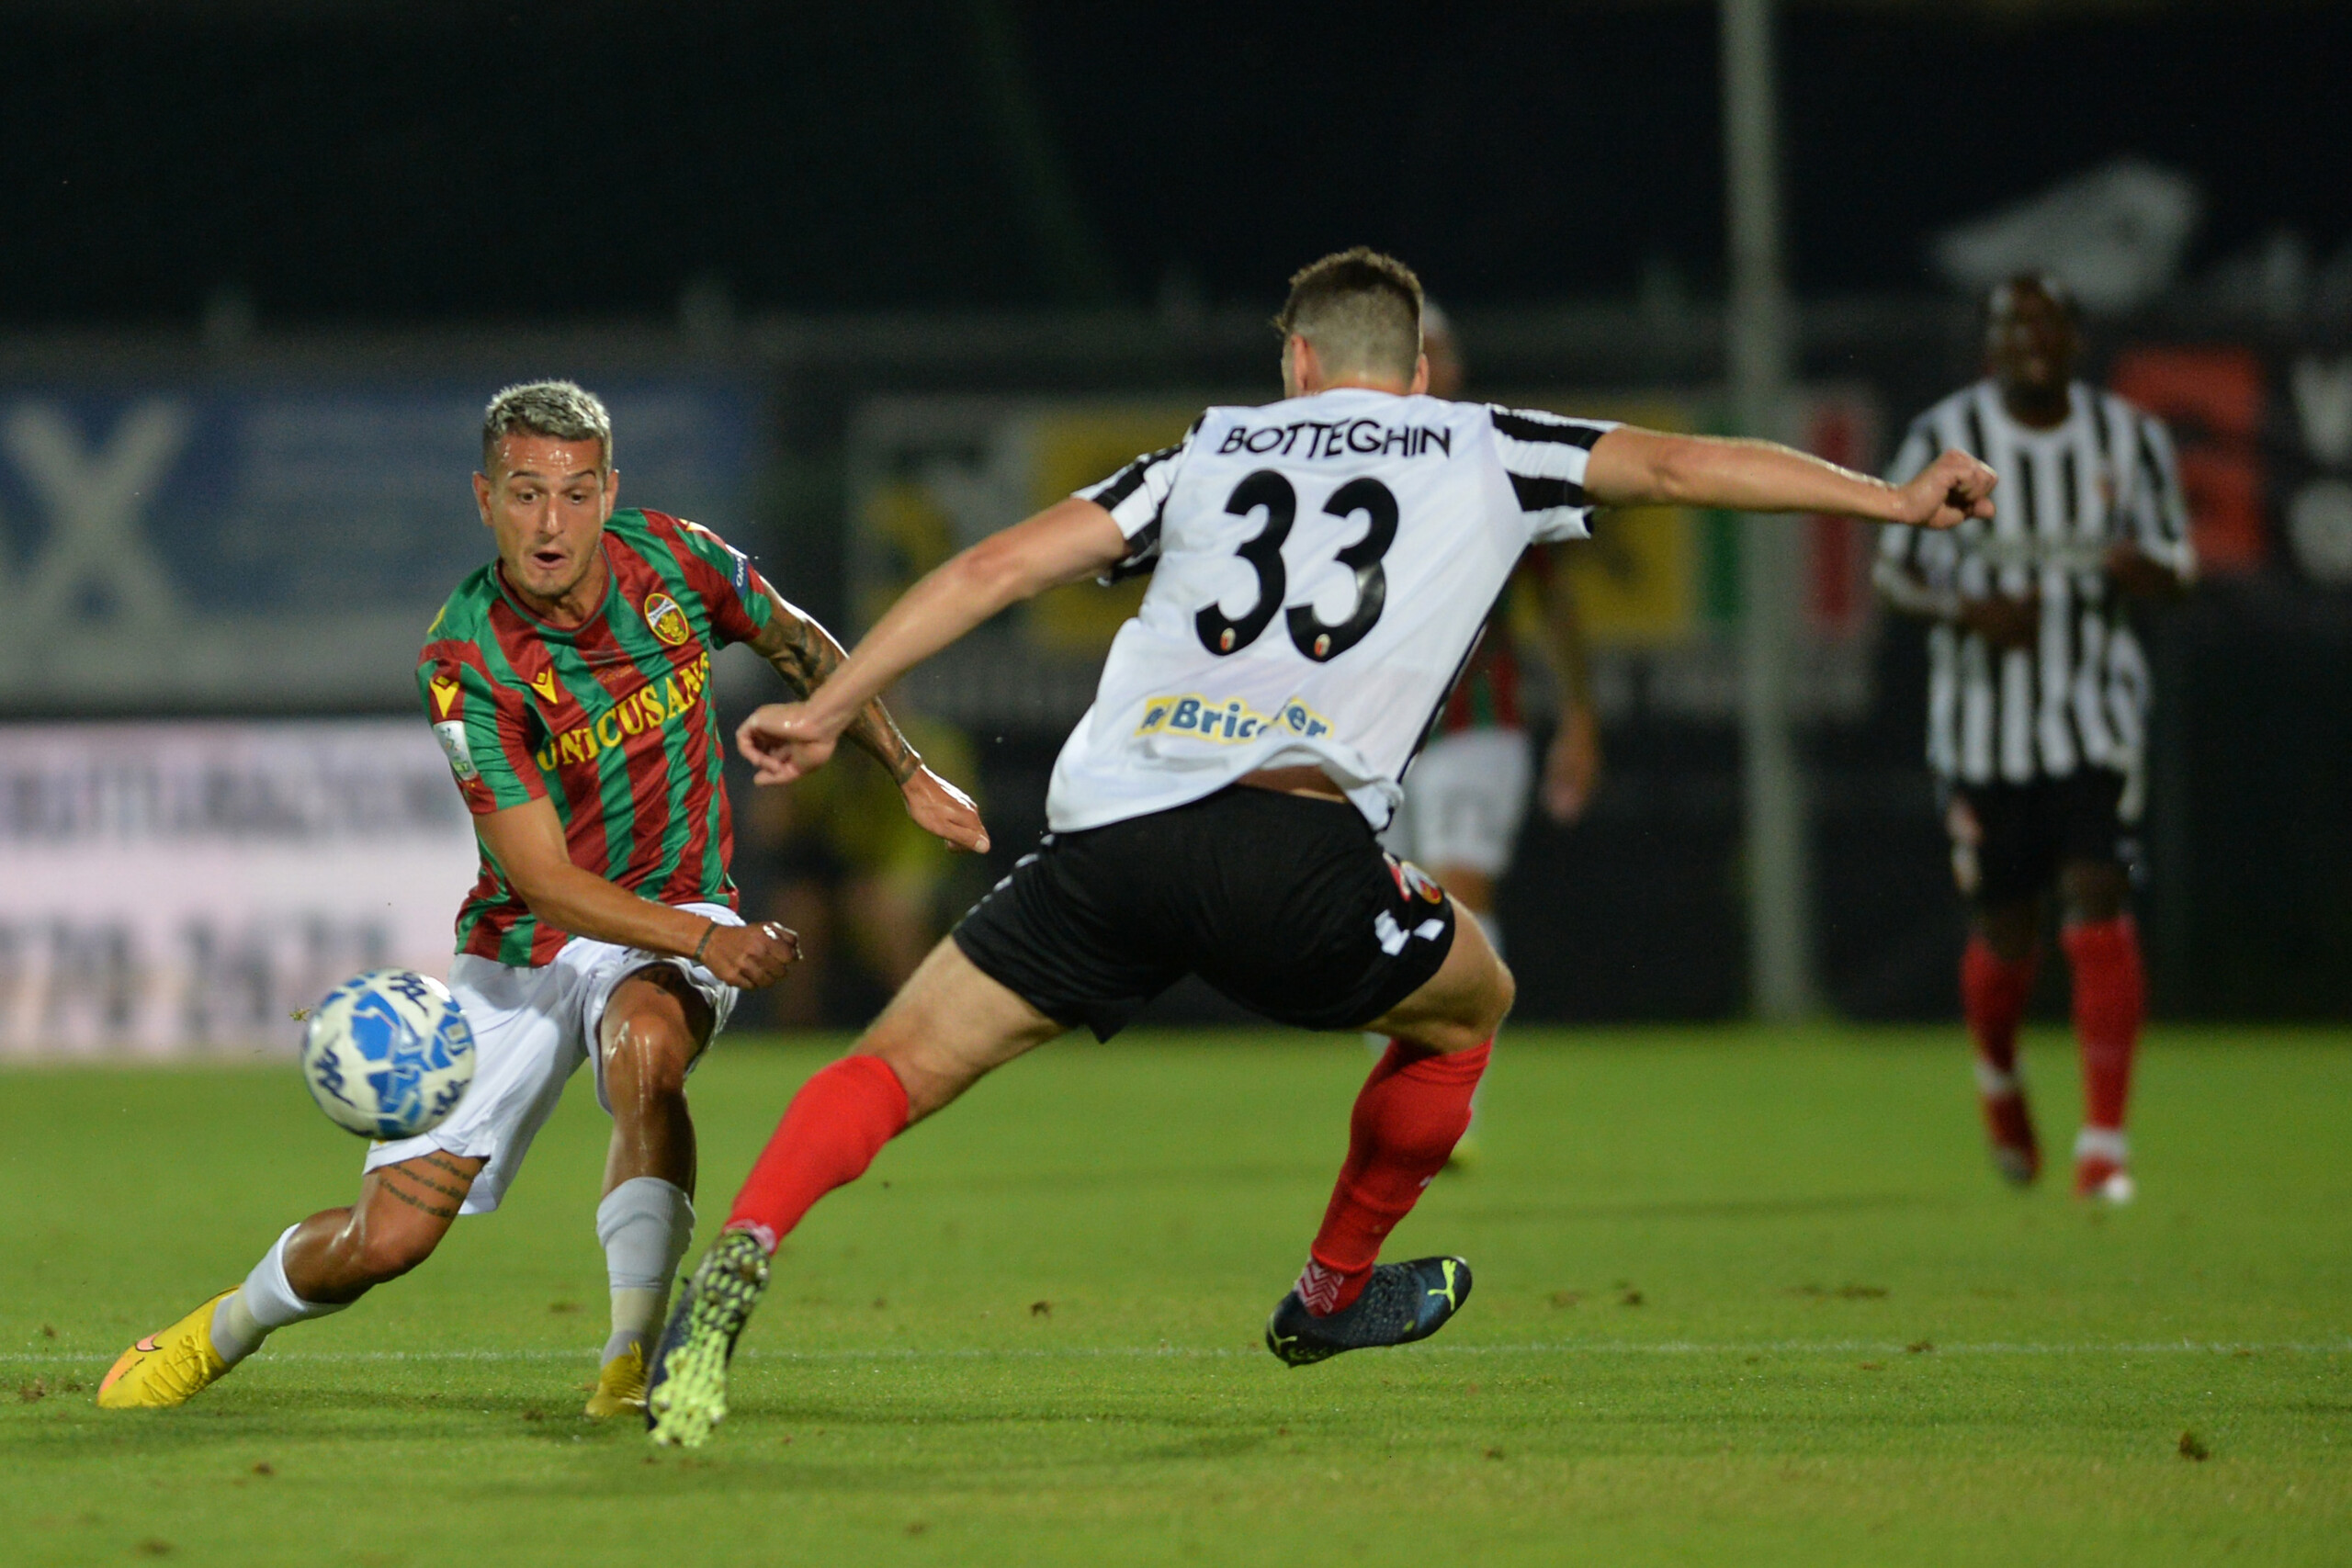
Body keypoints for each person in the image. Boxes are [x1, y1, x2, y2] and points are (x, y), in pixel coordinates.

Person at [643, 249, 1994, 1448]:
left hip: (1111, 836)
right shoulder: (1486, 442)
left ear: (1294, 363)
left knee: (894, 1061)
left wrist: (825, 707)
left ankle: (747, 1246)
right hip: (1293, 848)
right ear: (1414, 367)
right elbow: (1691, 466)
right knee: (1473, 1003)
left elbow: (995, 567)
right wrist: (1896, 498)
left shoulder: (1208, 448)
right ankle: (1331, 1293)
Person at [96, 380, 985, 1416]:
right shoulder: (465, 656)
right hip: (526, 942)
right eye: (524, 494)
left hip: (674, 906)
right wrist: (709, 939)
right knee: (387, 1239)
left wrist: (904, 766)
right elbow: (540, 878)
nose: (549, 522)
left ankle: (627, 1363)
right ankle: (218, 1330)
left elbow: (799, 642)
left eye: (573, 492)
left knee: (648, 1045)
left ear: (611, 491)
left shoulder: (679, 561)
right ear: (484, 500)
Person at [1874, 276, 2192, 1204]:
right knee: (2007, 931)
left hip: (2094, 718)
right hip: (1982, 736)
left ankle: (2103, 1143)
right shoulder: (1945, 433)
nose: (2032, 340)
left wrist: (2150, 572)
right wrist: (1963, 608)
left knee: (2097, 893)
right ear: (1990, 343)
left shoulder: (2127, 439)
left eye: (2048, 323)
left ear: (2075, 339)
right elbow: (1893, 570)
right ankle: (2001, 1081)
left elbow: (2182, 565)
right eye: (2014, 326)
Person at [1375, 303, 1601, 1165]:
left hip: (1478, 725)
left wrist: (1578, 716)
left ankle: (1445, 1105)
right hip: (1372, 738)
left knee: (1457, 910)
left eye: (1439, 353)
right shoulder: (1337, 469)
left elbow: (1554, 600)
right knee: (1380, 919)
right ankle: (1407, 1098)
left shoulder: (1497, 465)